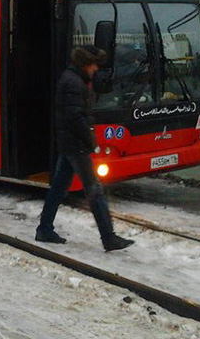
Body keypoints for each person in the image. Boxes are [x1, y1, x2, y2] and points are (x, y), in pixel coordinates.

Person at [36, 45, 134, 252]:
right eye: (94, 65)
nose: (96, 69)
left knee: (58, 188)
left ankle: (44, 229)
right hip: (75, 144)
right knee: (95, 189)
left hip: (69, 142)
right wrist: (91, 141)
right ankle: (108, 238)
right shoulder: (74, 82)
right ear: (85, 64)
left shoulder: (75, 80)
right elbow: (75, 117)